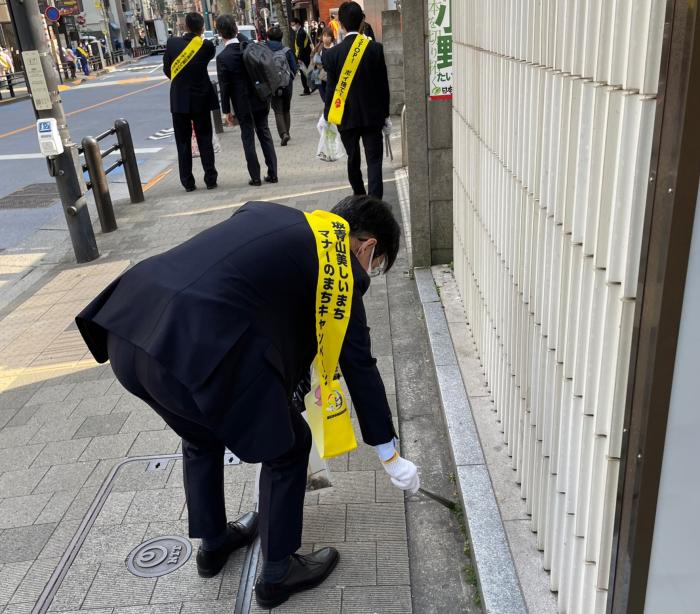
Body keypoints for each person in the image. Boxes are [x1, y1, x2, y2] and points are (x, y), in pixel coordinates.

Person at [75, 194, 418, 609]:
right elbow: (360, 364)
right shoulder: (340, 270)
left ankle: (214, 543)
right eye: (376, 264)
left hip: (128, 331)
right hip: (194, 350)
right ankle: (277, 573)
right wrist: (389, 453)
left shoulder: (270, 213)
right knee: (290, 449)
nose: (368, 272)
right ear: (366, 246)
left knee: (200, 433)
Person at [323, 1, 390, 199]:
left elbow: (331, 89)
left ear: (341, 24)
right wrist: (385, 115)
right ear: (362, 21)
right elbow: (383, 86)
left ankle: (359, 197)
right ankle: (375, 203)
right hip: (372, 116)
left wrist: (328, 115)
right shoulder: (375, 49)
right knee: (374, 161)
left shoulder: (332, 54)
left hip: (346, 116)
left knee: (353, 159)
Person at [216, 14, 278, 185]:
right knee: (264, 133)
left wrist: (226, 111)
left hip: (241, 104)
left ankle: (255, 177)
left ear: (220, 34)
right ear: (236, 29)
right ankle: (273, 173)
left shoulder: (223, 58)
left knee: (248, 137)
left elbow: (225, 87)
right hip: (260, 98)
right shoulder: (249, 47)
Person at [163, 12, 219, 192]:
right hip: (201, 99)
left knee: (183, 142)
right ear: (202, 28)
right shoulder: (207, 46)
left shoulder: (172, 44)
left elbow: (167, 69)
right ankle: (210, 179)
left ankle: (188, 182)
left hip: (179, 100)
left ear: (185, 26)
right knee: (205, 139)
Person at [266, 26, 297, 146]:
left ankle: (283, 134)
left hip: (273, 85)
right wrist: (289, 79)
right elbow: (294, 68)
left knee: (277, 110)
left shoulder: (265, 50)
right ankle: (287, 132)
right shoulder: (287, 50)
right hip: (287, 84)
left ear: (268, 37)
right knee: (286, 109)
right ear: (281, 37)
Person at [311, 26, 335, 102]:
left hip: (331, 77)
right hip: (319, 77)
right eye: (324, 36)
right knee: (324, 99)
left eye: (328, 36)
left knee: (331, 99)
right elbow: (312, 60)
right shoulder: (319, 47)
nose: (326, 38)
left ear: (332, 37)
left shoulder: (335, 48)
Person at [290, 17, 312, 95]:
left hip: (303, 56)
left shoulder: (301, 33)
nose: (292, 27)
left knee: (304, 73)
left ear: (298, 24)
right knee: (305, 72)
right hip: (305, 55)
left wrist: (299, 58)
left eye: (293, 25)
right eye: (291, 25)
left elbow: (301, 47)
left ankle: (307, 89)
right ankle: (310, 87)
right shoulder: (301, 31)